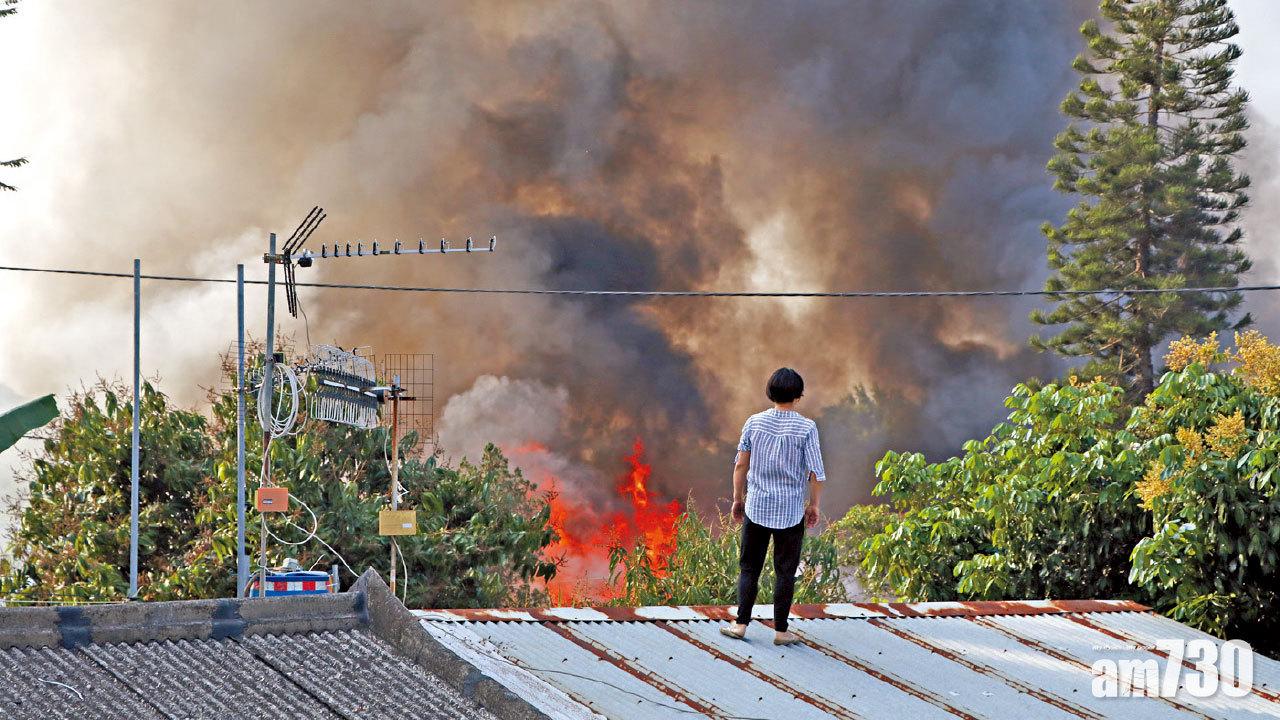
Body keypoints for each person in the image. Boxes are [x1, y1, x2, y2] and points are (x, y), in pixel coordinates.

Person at [720, 367, 825, 646]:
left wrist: (737, 499)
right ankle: (780, 631)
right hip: (790, 511)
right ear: (799, 396)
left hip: (757, 507)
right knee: (785, 572)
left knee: (749, 569)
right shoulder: (806, 428)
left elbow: (741, 464)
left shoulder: (754, 423)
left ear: (770, 392)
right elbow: (816, 474)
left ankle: (740, 625)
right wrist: (813, 505)